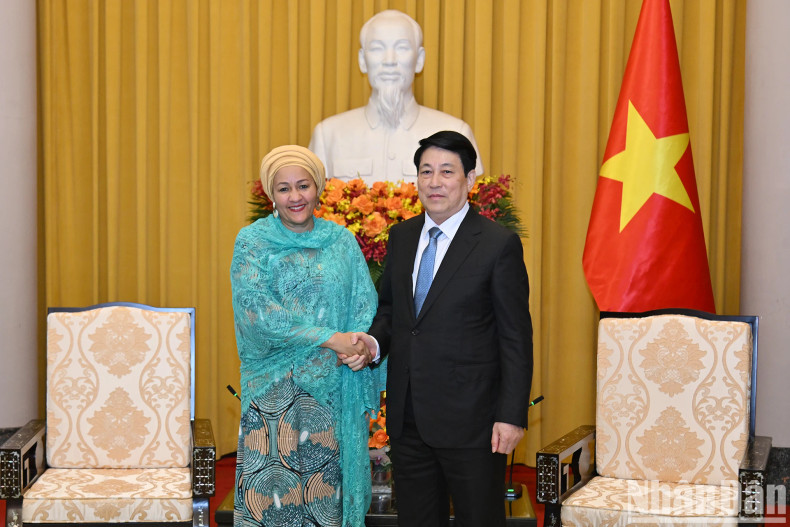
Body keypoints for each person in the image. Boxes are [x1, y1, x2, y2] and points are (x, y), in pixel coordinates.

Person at [358, 131, 533, 526]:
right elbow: (392, 310)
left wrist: (511, 415)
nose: (434, 182)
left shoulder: (497, 244)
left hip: (474, 421)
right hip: (408, 417)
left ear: (470, 180)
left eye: (447, 172)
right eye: (426, 172)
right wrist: (372, 342)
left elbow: (515, 336)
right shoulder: (401, 237)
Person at [230, 145, 384, 527]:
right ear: (270, 193)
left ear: (318, 187)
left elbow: (365, 304)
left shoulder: (341, 241)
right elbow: (257, 312)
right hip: (274, 391)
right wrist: (331, 338)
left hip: (333, 389)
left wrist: (359, 349)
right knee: (275, 501)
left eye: (303, 186)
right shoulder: (252, 242)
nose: (295, 197)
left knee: (325, 498)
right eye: (283, 189)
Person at [309, 9, 484, 184]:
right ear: (362, 60)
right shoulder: (328, 135)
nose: (389, 61)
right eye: (377, 48)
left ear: (419, 60)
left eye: (402, 48)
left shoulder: (456, 131)